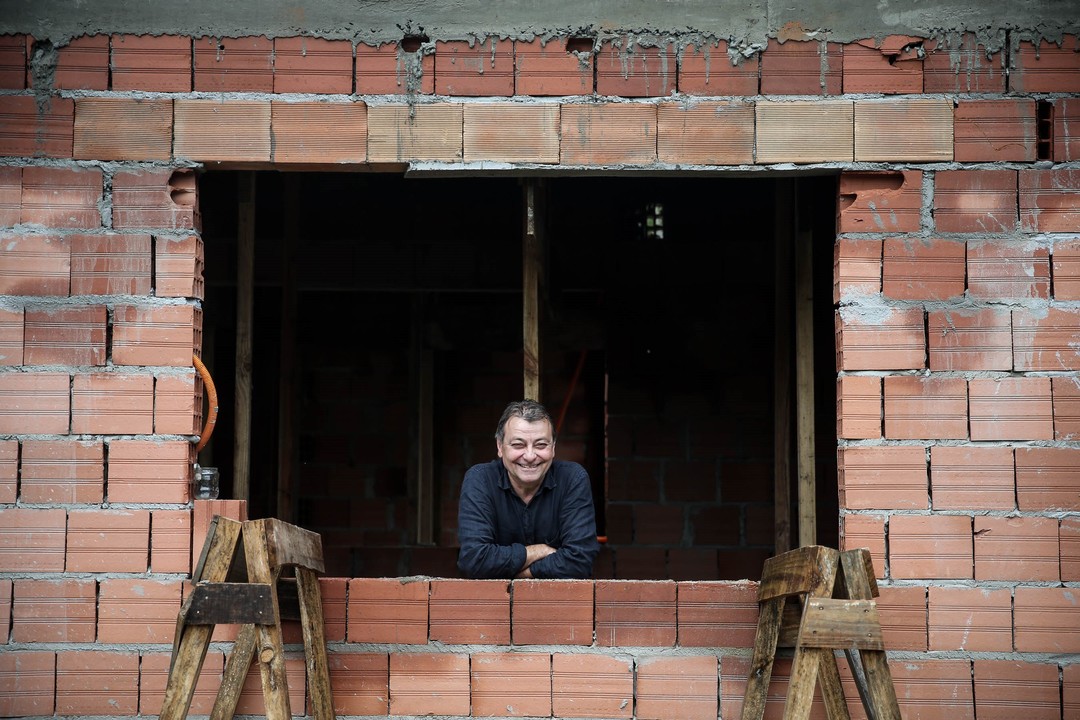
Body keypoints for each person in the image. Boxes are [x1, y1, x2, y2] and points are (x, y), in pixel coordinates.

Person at [457, 399, 600, 579]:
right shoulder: (480, 480)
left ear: (553, 447)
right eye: (518, 445)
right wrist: (537, 551)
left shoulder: (573, 479)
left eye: (541, 445)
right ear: (500, 447)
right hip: (494, 605)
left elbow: (581, 561)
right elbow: (473, 560)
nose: (530, 456)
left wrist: (521, 573)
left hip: (561, 604)